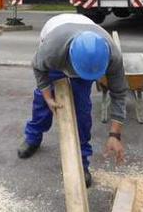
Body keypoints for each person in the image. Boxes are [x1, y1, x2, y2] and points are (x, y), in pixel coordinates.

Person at [17, 13, 128, 188]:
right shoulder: (52, 50)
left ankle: (82, 161)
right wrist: (48, 97)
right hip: (57, 36)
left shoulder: (112, 56)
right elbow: (38, 68)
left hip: (83, 43)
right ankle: (33, 137)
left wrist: (115, 135)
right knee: (42, 103)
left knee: (82, 110)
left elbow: (119, 94)